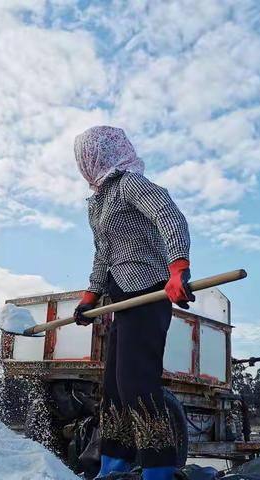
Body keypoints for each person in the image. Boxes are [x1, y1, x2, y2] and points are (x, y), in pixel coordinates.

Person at [72, 127, 194, 480]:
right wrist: (90, 296)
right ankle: (114, 467)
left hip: (148, 289)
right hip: (119, 298)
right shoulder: (98, 203)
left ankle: (158, 470)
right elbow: (102, 255)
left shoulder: (130, 184)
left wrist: (178, 268)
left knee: (137, 383)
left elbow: (169, 216)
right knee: (113, 390)